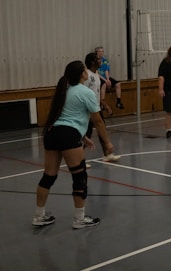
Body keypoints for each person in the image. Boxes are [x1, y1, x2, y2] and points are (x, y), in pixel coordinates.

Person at [32, 60, 114, 229]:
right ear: (82, 74)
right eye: (84, 69)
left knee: (48, 177)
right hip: (68, 135)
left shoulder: (63, 90)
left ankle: (39, 216)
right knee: (79, 177)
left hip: (52, 134)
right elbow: (98, 121)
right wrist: (107, 142)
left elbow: (65, 117)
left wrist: (83, 137)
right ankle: (79, 219)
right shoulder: (86, 92)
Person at [83, 52, 120, 165]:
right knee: (86, 134)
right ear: (92, 62)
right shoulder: (87, 75)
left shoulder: (97, 74)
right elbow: (83, 93)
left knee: (101, 131)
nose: (101, 61)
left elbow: (96, 94)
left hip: (97, 108)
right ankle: (79, 159)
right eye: (99, 59)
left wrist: (104, 105)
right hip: (88, 110)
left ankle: (107, 155)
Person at [95, 46, 124, 111]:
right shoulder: (95, 61)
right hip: (99, 78)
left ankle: (118, 101)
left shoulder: (105, 61)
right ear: (96, 53)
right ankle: (102, 104)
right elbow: (97, 73)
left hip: (105, 77)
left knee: (118, 84)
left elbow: (106, 71)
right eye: (99, 51)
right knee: (104, 85)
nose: (101, 53)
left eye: (102, 51)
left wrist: (108, 79)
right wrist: (105, 81)